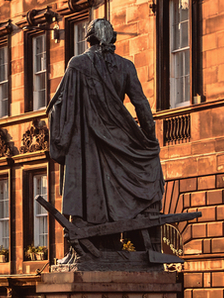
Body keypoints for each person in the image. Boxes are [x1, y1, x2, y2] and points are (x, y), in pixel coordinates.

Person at [46, 19, 163, 230]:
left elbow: (60, 106)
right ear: (112, 38)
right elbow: (142, 106)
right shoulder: (126, 66)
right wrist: (149, 140)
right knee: (150, 163)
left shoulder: (77, 64)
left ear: (89, 39)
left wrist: (62, 132)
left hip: (88, 139)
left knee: (89, 181)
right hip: (119, 138)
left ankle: (88, 224)